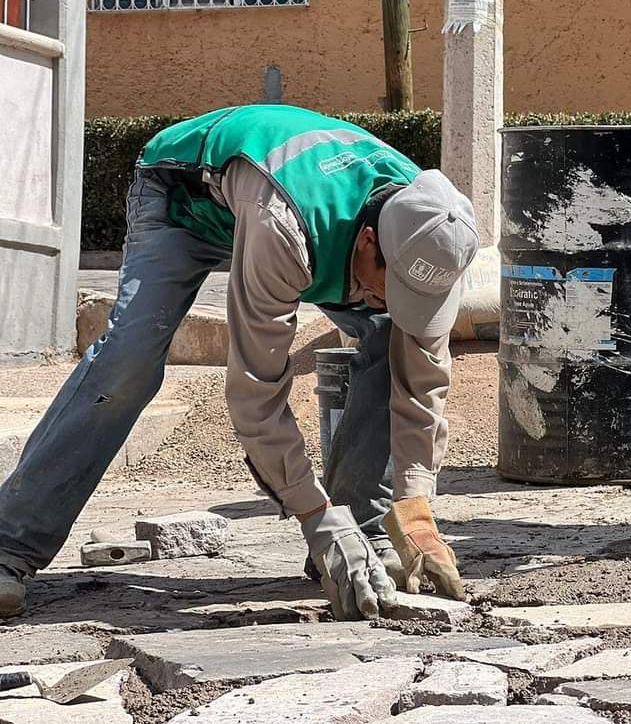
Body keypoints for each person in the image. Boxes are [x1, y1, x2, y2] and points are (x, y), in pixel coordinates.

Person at [0, 104, 480, 618]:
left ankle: (360, 536)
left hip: (295, 216)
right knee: (128, 363)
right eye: (393, 289)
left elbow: (423, 380)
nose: (389, 302)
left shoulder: (427, 222)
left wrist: (415, 510)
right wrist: (313, 515)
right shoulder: (288, 227)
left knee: (390, 337)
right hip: (185, 200)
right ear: (369, 242)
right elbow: (255, 390)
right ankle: (11, 545)